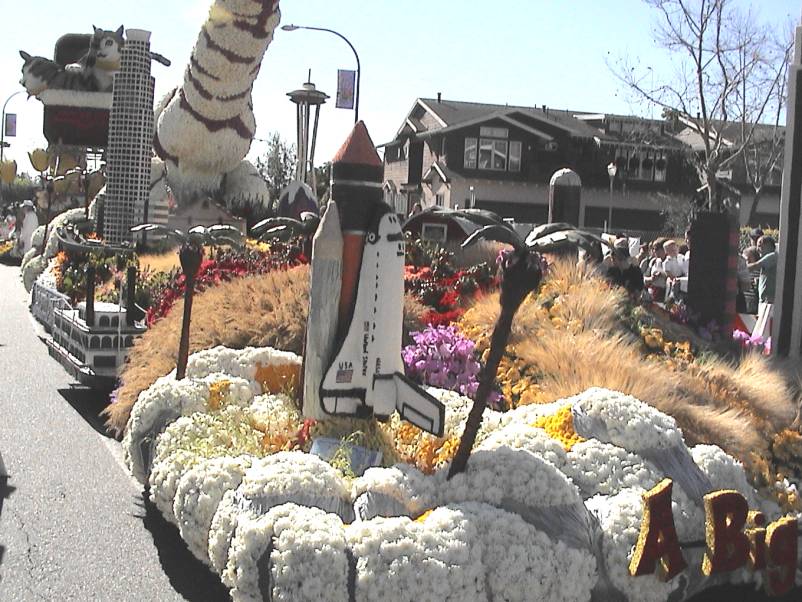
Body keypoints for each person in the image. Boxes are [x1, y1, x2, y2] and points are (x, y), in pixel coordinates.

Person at [747, 236, 777, 305]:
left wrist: (739, 267)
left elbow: (755, 266)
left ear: (768, 245)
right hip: (765, 301)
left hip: (769, 302)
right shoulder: (772, 258)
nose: (757, 249)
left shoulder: (772, 256)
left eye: (759, 246)